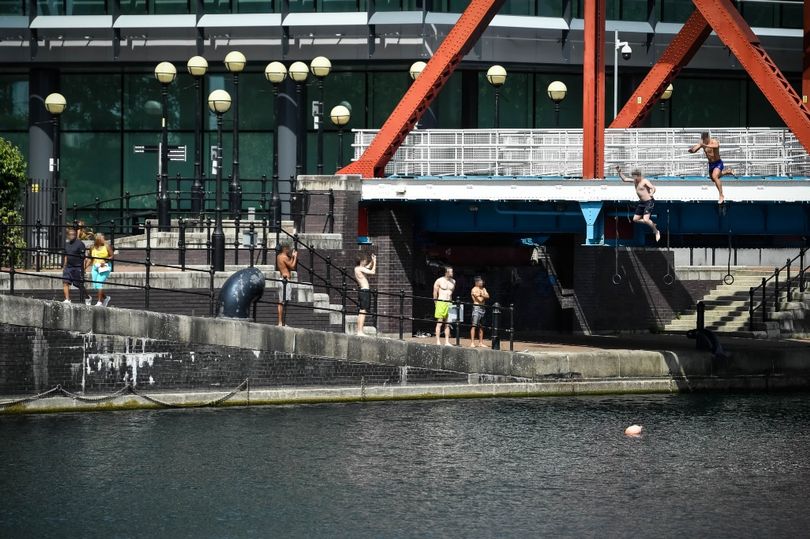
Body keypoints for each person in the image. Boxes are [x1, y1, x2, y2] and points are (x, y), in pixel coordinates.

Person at [688, 131, 735, 204]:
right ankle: (727, 172)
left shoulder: (714, 141)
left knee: (715, 176)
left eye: (704, 139)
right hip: (711, 164)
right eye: (702, 139)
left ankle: (721, 195)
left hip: (718, 163)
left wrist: (705, 145)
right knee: (713, 179)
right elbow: (695, 149)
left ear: (708, 138)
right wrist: (692, 150)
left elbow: (716, 146)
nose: (703, 141)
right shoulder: (702, 142)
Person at [617, 165, 661, 243]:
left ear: (639, 176)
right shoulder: (635, 181)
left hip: (649, 202)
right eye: (633, 177)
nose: (634, 179)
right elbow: (624, 179)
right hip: (641, 203)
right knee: (635, 219)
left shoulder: (644, 181)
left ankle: (656, 231)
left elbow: (653, 188)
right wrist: (619, 172)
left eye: (635, 177)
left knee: (646, 219)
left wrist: (651, 193)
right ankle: (651, 223)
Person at [62, 227, 89, 304]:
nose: (72, 236)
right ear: (67, 236)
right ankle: (67, 299)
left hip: (77, 267)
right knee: (65, 282)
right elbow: (66, 255)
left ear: (75, 235)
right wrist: (64, 266)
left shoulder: (80, 244)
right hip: (68, 267)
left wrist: (83, 268)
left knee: (78, 285)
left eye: (73, 234)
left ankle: (87, 297)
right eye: (70, 235)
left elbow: (84, 258)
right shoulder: (67, 244)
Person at [354, 253, 377, 336]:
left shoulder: (357, 268)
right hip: (365, 291)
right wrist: (375, 262)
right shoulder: (360, 269)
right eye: (364, 260)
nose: (365, 261)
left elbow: (367, 267)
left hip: (362, 291)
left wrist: (372, 261)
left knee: (361, 311)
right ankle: (360, 331)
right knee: (363, 311)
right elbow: (373, 272)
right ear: (361, 261)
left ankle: (359, 331)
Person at [275, 243, 297, 326]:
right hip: (285, 281)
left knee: (283, 302)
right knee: (282, 302)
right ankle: (280, 322)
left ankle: (282, 322)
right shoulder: (283, 257)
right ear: (285, 249)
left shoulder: (279, 256)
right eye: (288, 248)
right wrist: (295, 256)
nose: (289, 250)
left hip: (283, 280)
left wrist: (291, 257)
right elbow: (292, 266)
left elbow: (288, 265)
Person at [433, 266, 456, 346]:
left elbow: (451, 293)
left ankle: (447, 341)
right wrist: (436, 303)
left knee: (448, 323)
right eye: (450, 272)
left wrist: (451, 304)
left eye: (452, 272)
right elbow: (435, 293)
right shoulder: (439, 280)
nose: (452, 273)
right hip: (441, 302)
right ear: (446, 272)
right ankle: (438, 341)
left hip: (449, 302)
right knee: (439, 323)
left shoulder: (453, 281)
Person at [89, 232, 113, 307]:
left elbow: (112, 256)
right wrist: (85, 267)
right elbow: (90, 258)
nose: (104, 239)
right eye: (102, 238)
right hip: (95, 266)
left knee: (99, 284)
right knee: (96, 286)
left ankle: (99, 302)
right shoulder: (92, 247)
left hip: (104, 267)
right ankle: (106, 298)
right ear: (98, 239)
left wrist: (105, 260)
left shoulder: (107, 246)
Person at [469, 276, 490, 348]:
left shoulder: (483, 289)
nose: (482, 282)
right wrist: (483, 295)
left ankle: (480, 342)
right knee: (474, 325)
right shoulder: (474, 289)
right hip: (476, 308)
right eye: (481, 281)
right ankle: (472, 342)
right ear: (477, 282)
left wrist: (481, 294)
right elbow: (480, 300)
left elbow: (488, 296)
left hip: (483, 308)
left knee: (481, 326)